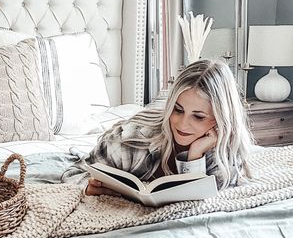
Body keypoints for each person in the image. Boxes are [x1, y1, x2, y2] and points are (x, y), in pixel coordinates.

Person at [66, 59, 252, 194]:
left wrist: (194, 155)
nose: (182, 123)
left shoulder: (225, 145)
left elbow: (197, 198)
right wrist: (89, 188)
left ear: (220, 119)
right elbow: (74, 174)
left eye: (198, 117)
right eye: (177, 110)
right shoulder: (132, 139)